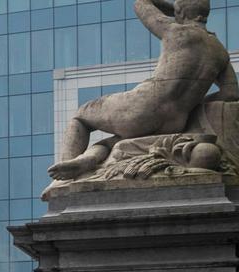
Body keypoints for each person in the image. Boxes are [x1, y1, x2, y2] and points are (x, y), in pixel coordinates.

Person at [49, 0, 239, 180]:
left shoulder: (176, 31)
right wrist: (195, 102)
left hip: (141, 106)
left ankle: (62, 179)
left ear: (180, 12)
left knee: (81, 116)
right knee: (117, 142)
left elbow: (141, 3)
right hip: (176, 121)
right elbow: (231, 93)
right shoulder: (220, 52)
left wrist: (173, 10)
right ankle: (87, 159)